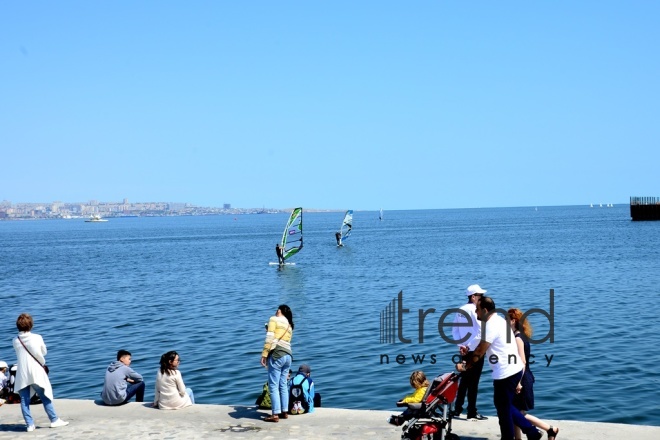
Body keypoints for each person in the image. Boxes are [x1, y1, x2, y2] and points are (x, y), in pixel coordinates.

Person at [456, 297, 542, 440]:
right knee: (505, 405)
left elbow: (479, 352)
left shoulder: (491, 326)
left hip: (506, 373)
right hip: (513, 370)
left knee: (503, 411)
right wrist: (467, 348)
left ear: (485, 310)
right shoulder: (497, 321)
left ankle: (513, 436)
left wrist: (465, 365)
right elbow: (477, 340)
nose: (475, 312)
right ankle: (532, 432)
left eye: (477, 309)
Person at [508, 308, 559, 440]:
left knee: (516, 413)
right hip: (524, 377)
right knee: (517, 412)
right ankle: (519, 438)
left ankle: (549, 429)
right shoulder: (521, 336)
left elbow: (523, 362)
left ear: (513, 321)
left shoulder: (518, 338)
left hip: (522, 378)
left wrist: (518, 382)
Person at [12, 313, 69, 432]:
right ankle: (54, 419)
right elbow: (44, 352)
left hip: (22, 373)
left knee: (24, 400)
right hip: (36, 371)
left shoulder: (15, 340)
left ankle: (29, 425)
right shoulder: (37, 337)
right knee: (44, 396)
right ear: (31, 325)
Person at [451, 284, 488, 421]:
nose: (482, 298)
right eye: (480, 295)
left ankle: (457, 409)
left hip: (464, 351)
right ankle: (471, 411)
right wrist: (469, 346)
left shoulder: (460, 309)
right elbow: (480, 332)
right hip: (475, 351)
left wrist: (461, 345)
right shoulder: (475, 310)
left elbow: (455, 330)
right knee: (474, 382)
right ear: (473, 297)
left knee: (464, 380)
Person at [260, 304, 294, 422]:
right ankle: (284, 411)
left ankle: (275, 414)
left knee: (273, 385)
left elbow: (270, 337)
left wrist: (264, 354)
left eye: (277, 309)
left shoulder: (273, 319)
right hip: (288, 355)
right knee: (283, 384)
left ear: (280, 311)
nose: (275, 311)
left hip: (277, 354)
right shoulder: (289, 325)